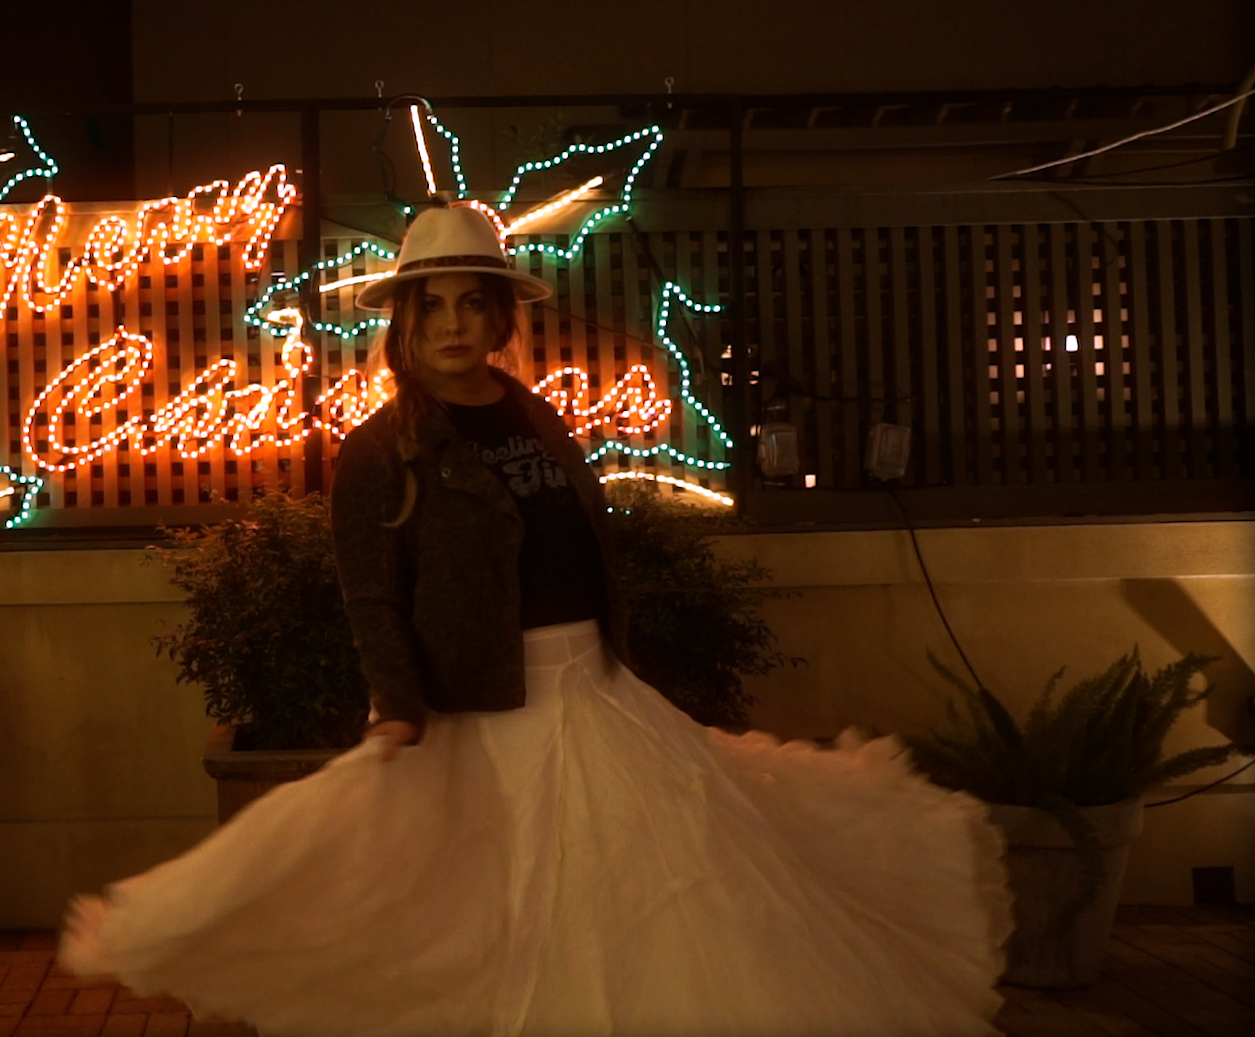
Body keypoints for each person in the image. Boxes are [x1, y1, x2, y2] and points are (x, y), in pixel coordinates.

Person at [59, 205, 1014, 1036]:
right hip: (484, 720)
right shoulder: (381, 450)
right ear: (403, 321)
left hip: (600, 701)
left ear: (499, 317)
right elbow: (370, 593)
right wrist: (395, 704)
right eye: (431, 306)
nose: (452, 324)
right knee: (507, 926)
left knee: (649, 913)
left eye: (472, 303)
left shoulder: (532, 415)